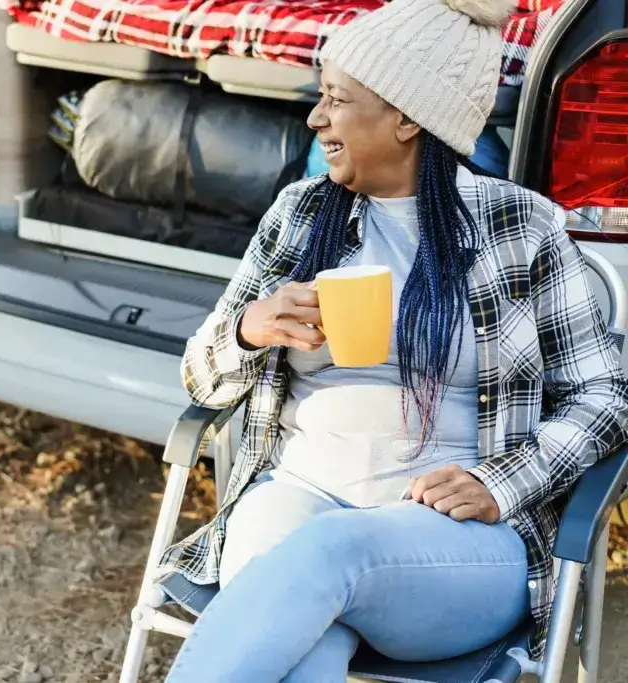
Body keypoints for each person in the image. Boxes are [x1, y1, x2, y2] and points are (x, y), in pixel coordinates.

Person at [157, 0, 628, 679]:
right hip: (298, 489)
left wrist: (501, 482)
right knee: (303, 630)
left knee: (322, 557)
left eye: (336, 100)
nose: (316, 119)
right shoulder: (299, 214)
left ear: (408, 117)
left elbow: (606, 396)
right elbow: (199, 378)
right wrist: (247, 328)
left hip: (457, 541)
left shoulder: (519, 229)